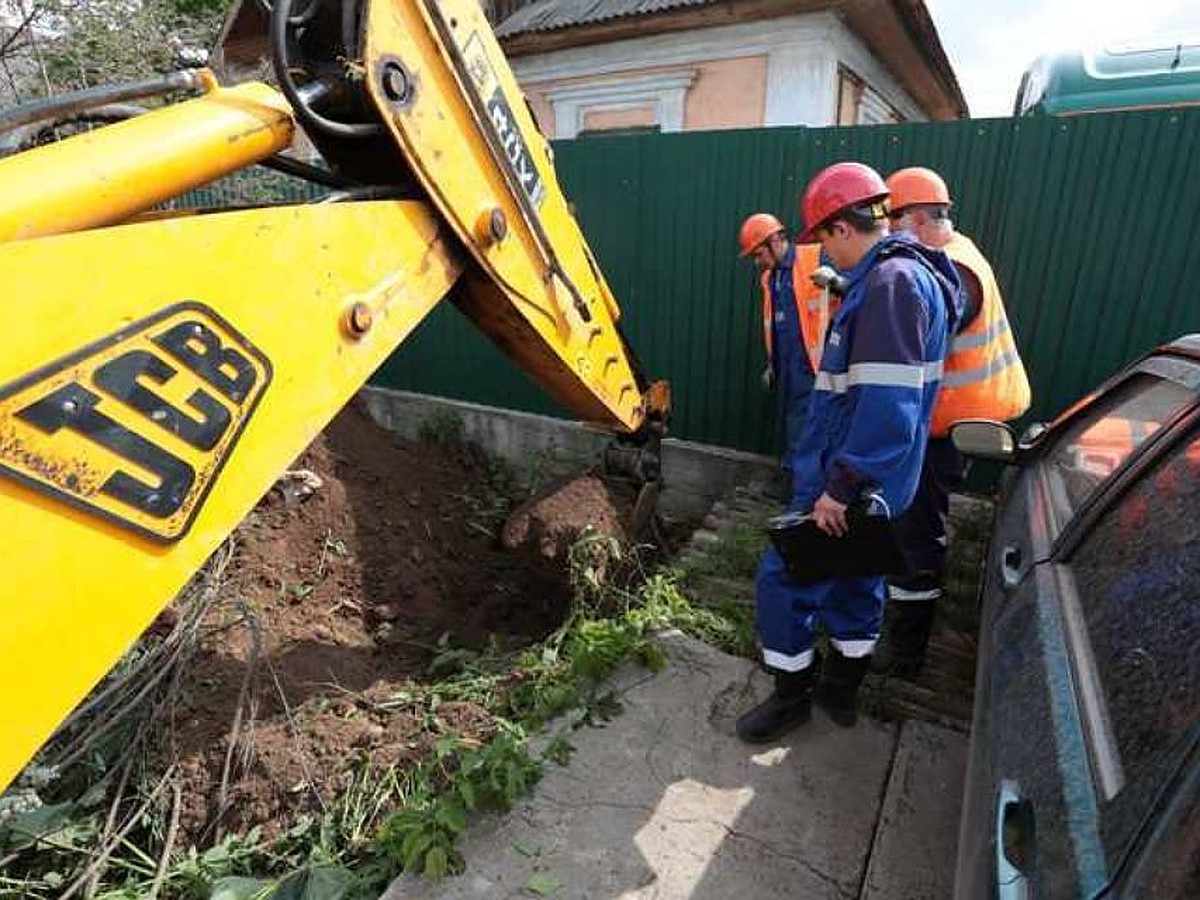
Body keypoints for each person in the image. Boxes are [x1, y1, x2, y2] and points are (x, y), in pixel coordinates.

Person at [736, 162, 962, 743]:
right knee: (859, 580)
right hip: (881, 482)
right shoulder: (907, 278)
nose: (825, 257)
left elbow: (887, 405)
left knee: (784, 579)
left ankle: (792, 699)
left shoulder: (889, 286)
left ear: (841, 226)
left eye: (824, 242)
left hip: (848, 477)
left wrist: (840, 487)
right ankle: (840, 693)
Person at [874, 166, 1031, 676]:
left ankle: (906, 652)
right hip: (963, 420)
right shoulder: (958, 251)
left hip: (950, 429)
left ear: (915, 218)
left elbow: (928, 326)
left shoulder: (951, 273)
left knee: (917, 533)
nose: (886, 232)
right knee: (912, 524)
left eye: (890, 221)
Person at [738, 213, 837, 476]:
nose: (758, 262)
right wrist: (772, 365)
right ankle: (793, 481)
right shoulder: (770, 279)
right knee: (789, 426)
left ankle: (803, 493)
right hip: (787, 370)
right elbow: (777, 326)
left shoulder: (817, 258)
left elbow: (851, 295)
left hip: (813, 367)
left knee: (807, 430)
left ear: (774, 241)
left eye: (759, 254)